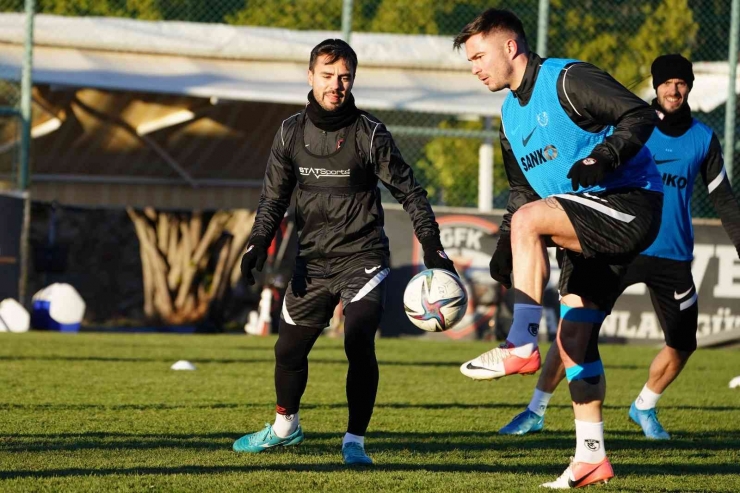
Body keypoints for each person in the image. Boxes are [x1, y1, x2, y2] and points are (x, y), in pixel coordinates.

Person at [453, 9, 663, 488]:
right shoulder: (508, 114)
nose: (475, 68)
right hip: (581, 225)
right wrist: (508, 245)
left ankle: (522, 342)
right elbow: (522, 195)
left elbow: (640, 113)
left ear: (512, 47)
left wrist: (605, 155)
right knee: (574, 340)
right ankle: (592, 456)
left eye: (480, 56)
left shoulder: (567, 79)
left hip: (626, 204)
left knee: (531, 224)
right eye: (470, 60)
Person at [233, 39, 456, 465]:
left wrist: (432, 246)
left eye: (345, 77)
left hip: (363, 256)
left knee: (358, 339)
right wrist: (257, 243)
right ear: (311, 76)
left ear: (353, 79)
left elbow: (411, 192)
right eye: (328, 75)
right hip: (312, 261)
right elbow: (273, 199)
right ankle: (285, 426)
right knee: (288, 352)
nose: (337, 84)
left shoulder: (370, 134)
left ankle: (354, 441)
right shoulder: (289, 132)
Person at [498, 54, 740, 440]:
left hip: (672, 256)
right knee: (573, 333)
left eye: (681, 82)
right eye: (666, 83)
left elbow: (724, 199)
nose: (673, 89)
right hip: (617, 245)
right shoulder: (629, 127)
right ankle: (535, 410)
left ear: (690, 87)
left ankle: (644, 405)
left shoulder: (704, 138)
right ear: (655, 85)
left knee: (683, 343)